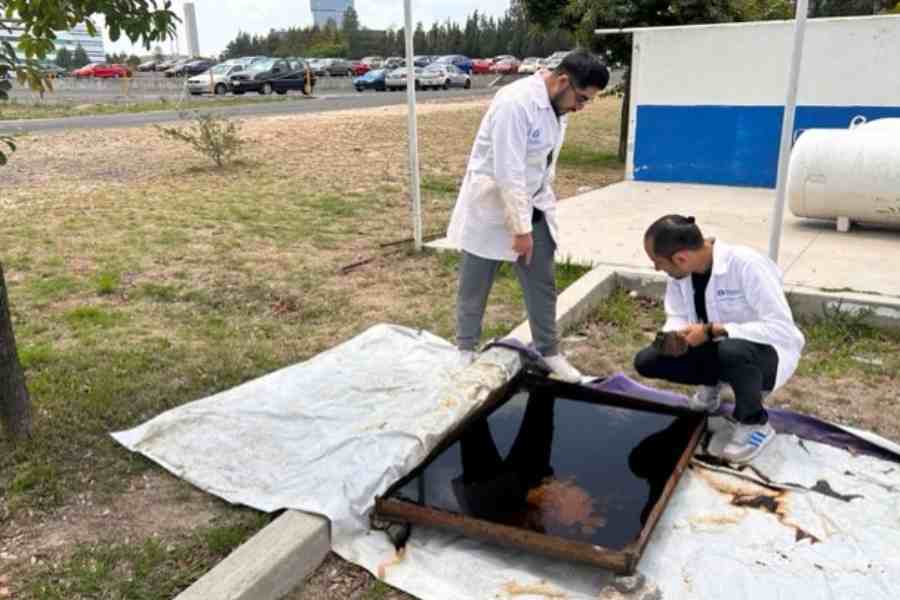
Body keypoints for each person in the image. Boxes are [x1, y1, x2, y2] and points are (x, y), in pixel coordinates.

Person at [447, 49, 609, 383]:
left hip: (534, 202)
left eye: (587, 102)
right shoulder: (515, 103)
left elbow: (542, 164)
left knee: (543, 282)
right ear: (562, 80)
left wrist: (533, 217)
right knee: (475, 282)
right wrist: (521, 230)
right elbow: (509, 171)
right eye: (580, 98)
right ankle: (465, 349)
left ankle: (549, 351)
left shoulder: (556, 106)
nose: (580, 107)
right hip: (492, 204)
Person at [633, 215, 805, 463]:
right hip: (719, 349)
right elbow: (678, 314)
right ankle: (711, 388)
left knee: (732, 350)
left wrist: (715, 329)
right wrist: (674, 335)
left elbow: (781, 328)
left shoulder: (747, 265)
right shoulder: (681, 274)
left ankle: (755, 422)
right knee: (648, 360)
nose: (657, 269)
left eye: (657, 262)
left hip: (767, 355)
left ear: (680, 258)